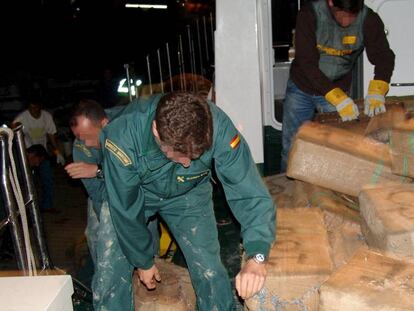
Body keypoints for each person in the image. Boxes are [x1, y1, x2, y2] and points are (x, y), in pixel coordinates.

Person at [101, 92, 276, 310]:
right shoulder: (123, 136)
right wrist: (143, 261)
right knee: (110, 276)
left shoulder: (218, 126)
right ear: (156, 129)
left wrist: (257, 256)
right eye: (176, 155)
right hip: (137, 193)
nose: (185, 163)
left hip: (189, 193)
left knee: (209, 271)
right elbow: (125, 209)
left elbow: (248, 190)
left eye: (194, 157)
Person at [64, 99, 159, 311]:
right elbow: (98, 195)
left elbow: (139, 178)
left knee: (143, 224)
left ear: (105, 123)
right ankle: (108, 280)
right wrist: (111, 234)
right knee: (98, 236)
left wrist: (97, 170)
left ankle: (150, 261)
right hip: (103, 190)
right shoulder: (82, 148)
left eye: (89, 137)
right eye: (79, 138)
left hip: (138, 186)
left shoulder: (130, 127)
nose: (86, 144)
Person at [280, 0, 395, 172]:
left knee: (336, 148)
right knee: (291, 145)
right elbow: (306, 63)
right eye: (343, 15)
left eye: (352, 16)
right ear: (331, 2)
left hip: (338, 87)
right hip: (301, 88)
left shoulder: (368, 19)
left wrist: (378, 90)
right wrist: (338, 98)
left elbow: (384, 57)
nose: (347, 22)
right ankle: (287, 194)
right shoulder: (309, 14)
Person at [13, 99, 65, 212]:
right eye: (31, 108)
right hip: (28, 153)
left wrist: (57, 152)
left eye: (36, 107)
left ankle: (47, 205)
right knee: (28, 182)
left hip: (42, 152)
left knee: (48, 178)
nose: (34, 110)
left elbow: (51, 134)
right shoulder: (22, 118)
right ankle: (28, 209)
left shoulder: (46, 117)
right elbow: (13, 131)